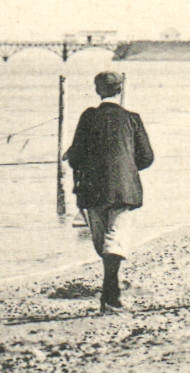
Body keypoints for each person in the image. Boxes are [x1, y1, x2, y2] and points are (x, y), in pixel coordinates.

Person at [63, 72, 155, 313]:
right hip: (124, 189)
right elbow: (147, 157)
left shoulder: (88, 117)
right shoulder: (132, 118)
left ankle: (110, 295)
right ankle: (111, 295)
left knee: (102, 242)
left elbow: (75, 157)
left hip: (92, 191)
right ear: (120, 90)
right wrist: (126, 167)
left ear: (97, 90)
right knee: (115, 240)